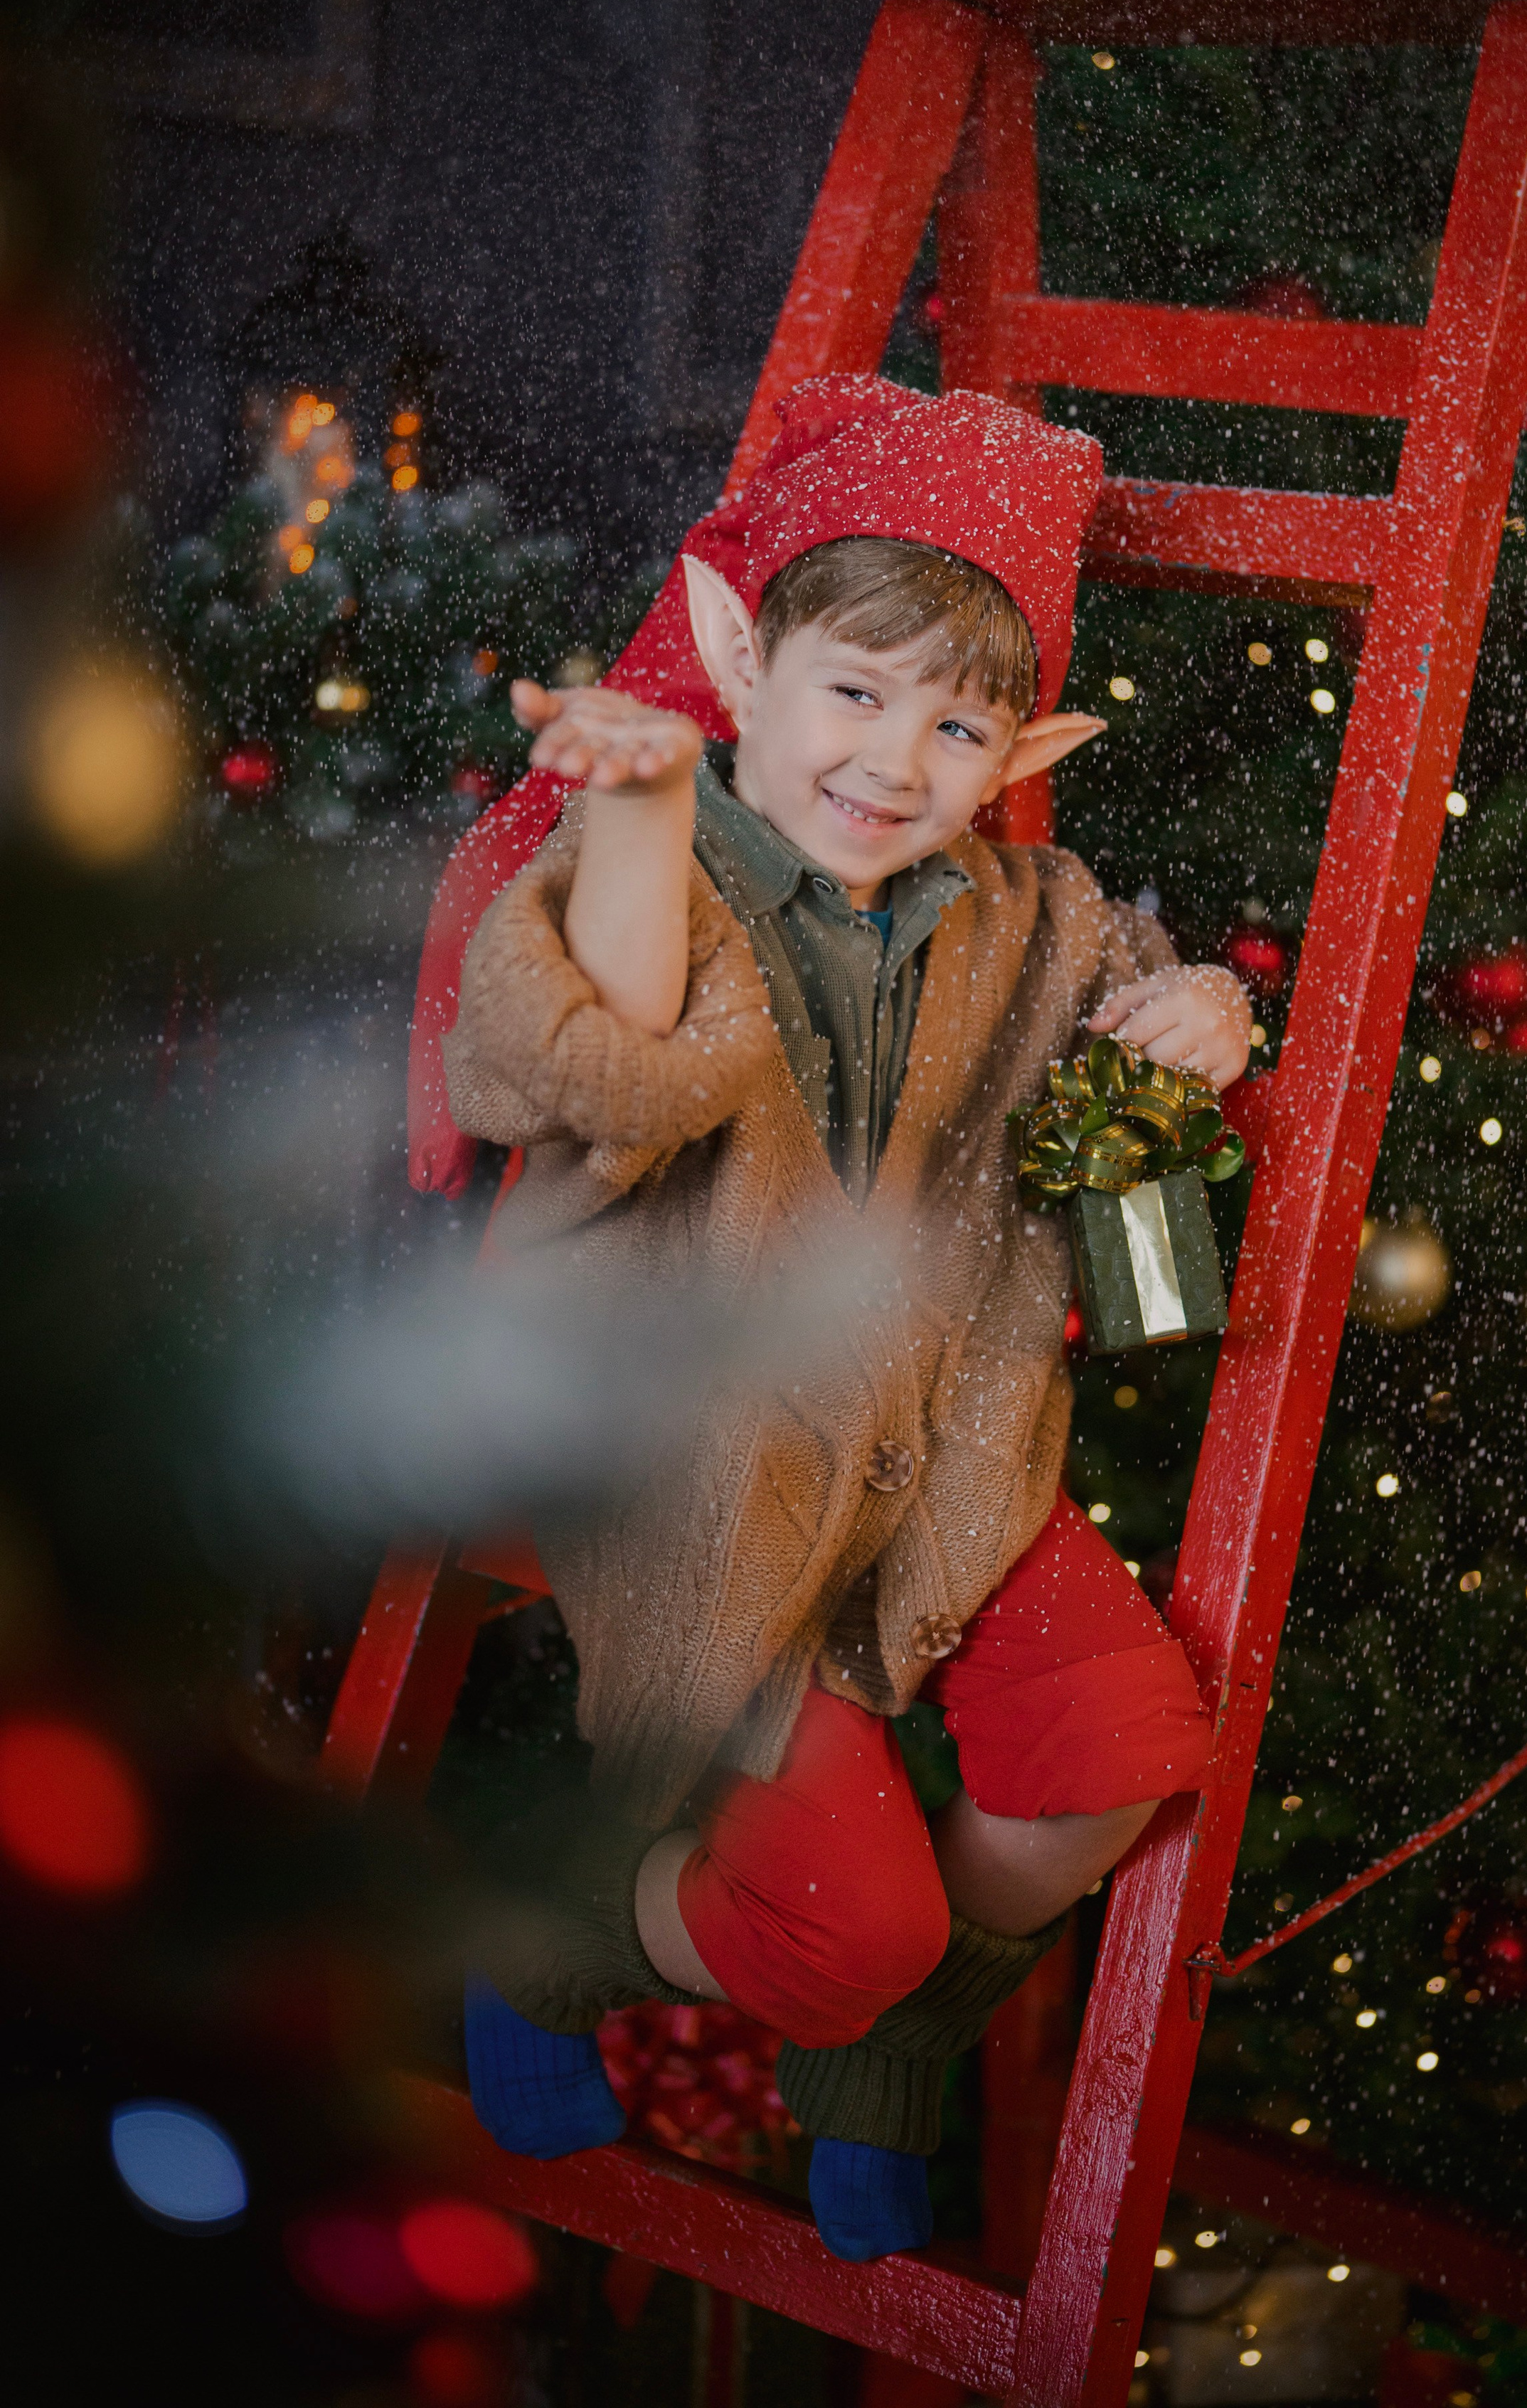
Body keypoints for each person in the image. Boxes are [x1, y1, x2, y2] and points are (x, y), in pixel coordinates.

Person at [432, 375, 1250, 2261]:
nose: (895, 759)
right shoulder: (661, 876)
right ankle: (566, 1934)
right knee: (856, 1916)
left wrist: (1195, 1014)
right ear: (741, 657)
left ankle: (884, 2049)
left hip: (945, 1455)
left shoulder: (1036, 919)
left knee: (1123, 1760)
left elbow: (1145, 1244)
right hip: (702, 1478)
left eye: (959, 725)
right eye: (855, 693)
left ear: (1024, 745)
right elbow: (558, 1056)